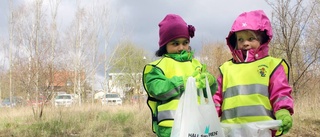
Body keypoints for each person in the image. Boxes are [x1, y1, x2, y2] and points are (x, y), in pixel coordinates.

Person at [213, 10, 294, 136]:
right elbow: (216, 98)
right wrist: (208, 116)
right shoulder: (226, 68)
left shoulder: (271, 65)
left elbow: (280, 92)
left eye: (251, 38)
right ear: (235, 42)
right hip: (230, 130)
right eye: (240, 39)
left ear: (262, 40)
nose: (245, 43)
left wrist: (283, 111)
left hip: (262, 130)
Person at [142, 14, 217, 137]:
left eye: (185, 42)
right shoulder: (157, 67)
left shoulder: (197, 65)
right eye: (175, 43)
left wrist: (210, 81)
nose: (181, 47)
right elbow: (157, 89)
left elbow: (209, 92)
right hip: (170, 126)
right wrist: (182, 83)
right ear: (164, 45)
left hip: (197, 125)